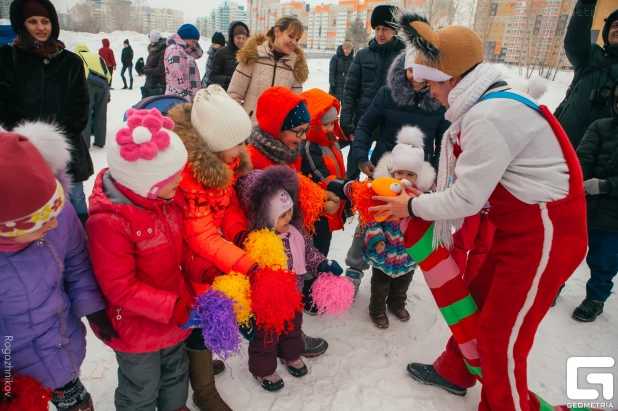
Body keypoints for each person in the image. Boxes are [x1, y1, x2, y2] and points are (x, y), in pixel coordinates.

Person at [370, 13, 588, 410]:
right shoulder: (486, 104)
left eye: (433, 82)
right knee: (477, 304)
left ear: (453, 77)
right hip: (520, 230)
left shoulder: (488, 117)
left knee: (499, 338)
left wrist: (412, 205)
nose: (431, 93)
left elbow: (466, 200)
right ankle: (455, 370)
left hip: (546, 238)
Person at [86, 109, 200, 411]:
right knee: (141, 385)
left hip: (174, 316)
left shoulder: (167, 201)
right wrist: (172, 308)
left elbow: (183, 250)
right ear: (145, 182)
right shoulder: (109, 223)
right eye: (173, 176)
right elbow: (119, 288)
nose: (181, 179)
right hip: (135, 327)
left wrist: (207, 271)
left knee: (176, 373)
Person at [0, 123, 112, 411]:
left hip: (59, 351)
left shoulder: (56, 213)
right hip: (11, 375)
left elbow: (76, 260)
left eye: (55, 211)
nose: (53, 224)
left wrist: (92, 305)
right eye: (40, 223)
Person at [167, 85, 256, 411]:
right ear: (217, 143)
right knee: (198, 314)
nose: (244, 149)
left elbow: (227, 205)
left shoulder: (223, 163)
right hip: (186, 258)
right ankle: (203, 390)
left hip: (204, 249)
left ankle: (199, 361)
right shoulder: (192, 179)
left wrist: (240, 234)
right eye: (239, 142)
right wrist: (246, 264)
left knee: (207, 314)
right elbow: (201, 236)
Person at [235, 165, 342, 391]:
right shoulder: (256, 242)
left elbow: (307, 252)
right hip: (268, 303)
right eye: (281, 215)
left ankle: (290, 355)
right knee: (267, 337)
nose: (288, 218)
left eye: (290, 211)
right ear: (265, 216)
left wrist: (322, 263)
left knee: (293, 329)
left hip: (294, 295)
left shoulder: (295, 232)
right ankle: (263, 369)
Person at [244, 85, 331, 355]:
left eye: (306, 130)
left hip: (288, 231)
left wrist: (319, 194)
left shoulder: (287, 152)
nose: (303, 137)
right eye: (298, 131)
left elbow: (295, 185)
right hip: (267, 242)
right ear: (276, 126)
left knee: (292, 286)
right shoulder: (254, 159)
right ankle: (269, 347)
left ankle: (290, 337)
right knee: (273, 295)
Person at [0, 0, 92, 226]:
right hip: (25, 147)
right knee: (35, 205)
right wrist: (32, 141)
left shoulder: (70, 61)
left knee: (76, 199)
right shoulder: (8, 58)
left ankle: (82, 245)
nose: (40, 27)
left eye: (45, 21)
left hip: (68, 146)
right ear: (21, 24)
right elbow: (5, 104)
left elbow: (81, 106)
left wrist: (58, 142)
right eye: (32, 21)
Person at [363, 126, 436, 329]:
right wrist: (376, 239)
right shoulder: (382, 194)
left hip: (408, 253)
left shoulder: (420, 199)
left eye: (410, 174)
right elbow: (371, 219)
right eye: (399, 172)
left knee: (403, 282)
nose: (403, 178)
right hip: (384, 251)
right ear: (391, 172)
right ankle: (377, 309)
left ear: (417, 177)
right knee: (380, 283)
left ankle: (397, 304)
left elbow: (426, 222)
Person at [340, 4, 405, 180]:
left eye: (385, 29)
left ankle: (374, 203)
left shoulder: (404, 56)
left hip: (390, 123)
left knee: (383, 169)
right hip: (363, 120)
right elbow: (350, 91)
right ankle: (348, 203)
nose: (380, 33)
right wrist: (346, 119)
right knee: (354, 166)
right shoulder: (362, 55)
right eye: (377, 28)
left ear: (395, 30)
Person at [572, 80, 618, 322]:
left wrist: (606, 185)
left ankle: (595, 299)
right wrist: (580, 180)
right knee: (567, 250)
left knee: (604, 261)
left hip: (614, 216)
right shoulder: (601, 126)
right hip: (586, 205)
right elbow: (583, 156)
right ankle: (553, 287)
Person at [555, 0, 618, 148]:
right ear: (607, 32)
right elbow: (575, 37)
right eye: (615, 26)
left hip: (601, 160)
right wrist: (586, 4)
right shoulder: (590, 55)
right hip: (560, 144)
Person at [228, 16, 308, 125]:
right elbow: (234, 95)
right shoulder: (253, 57)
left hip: (277, 135)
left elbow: (295, 106)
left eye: (297, 39)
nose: (294, 42)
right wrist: (241, 123)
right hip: (249, 129)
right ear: (277, 32)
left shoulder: (295, 67)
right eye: (291, 36)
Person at [300, 88, 348, 258]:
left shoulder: (332, 142)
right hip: (317, 214)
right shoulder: (308, 147)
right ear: (313, 123)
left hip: (332, 208)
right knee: (314, 253)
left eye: (332, 124)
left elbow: (340, 170)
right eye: (324, 124)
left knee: (324, 248)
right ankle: (311, 282)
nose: (329, 129)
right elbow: (321, 176)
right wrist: (349, 188)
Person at [74, 43, 111, 149]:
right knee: (101, 114)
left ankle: (85, 144)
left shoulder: (77, 56)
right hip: (103, 84)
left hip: (87, 85)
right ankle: (100, 142)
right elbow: (107, 74)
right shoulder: (97, 56)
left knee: (86, 114)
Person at [165, 23, 204, 102]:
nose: (194, 45)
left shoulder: (183, 50)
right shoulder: (175, 51)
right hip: (180, 101)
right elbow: (177, 81)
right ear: (185, 38)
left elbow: (198, 54)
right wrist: (185, 102)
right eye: (193, 41)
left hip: (187, 98)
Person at [209, 21, 249, 90]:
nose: (241, 41)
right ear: (232, 37)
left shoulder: (249, 53)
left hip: (244, 93)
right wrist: (229, 79)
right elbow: (213, 77)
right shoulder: (222, 52)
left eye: (243, 38)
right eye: (238, 38)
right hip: (226, 93)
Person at [143, 29, 166, 97]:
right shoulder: (154, 50)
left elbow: (161, 70)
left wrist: (146, 71)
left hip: (157, 86)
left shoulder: (162, 51)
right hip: (150, 83)